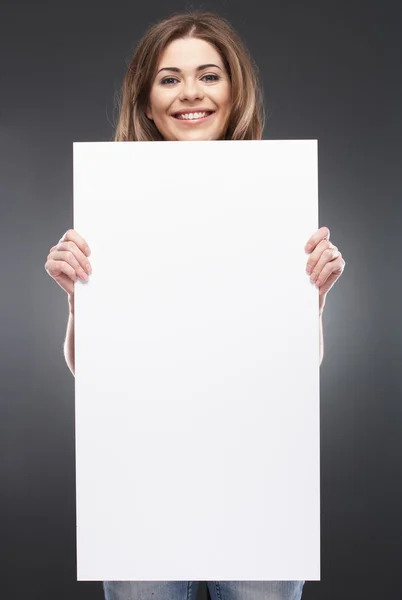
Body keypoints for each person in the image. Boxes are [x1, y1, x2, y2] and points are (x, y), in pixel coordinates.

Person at [44, 10, 345, 600]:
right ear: (147, 99)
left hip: (259, 484)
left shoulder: (275, 197)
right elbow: (94, 373)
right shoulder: (113, 204)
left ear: (235, 90)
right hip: (141, 487)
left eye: (209, 75)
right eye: (168, 78)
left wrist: (313, 300)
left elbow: (292, 372)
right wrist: (80, 302)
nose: (190, 94)